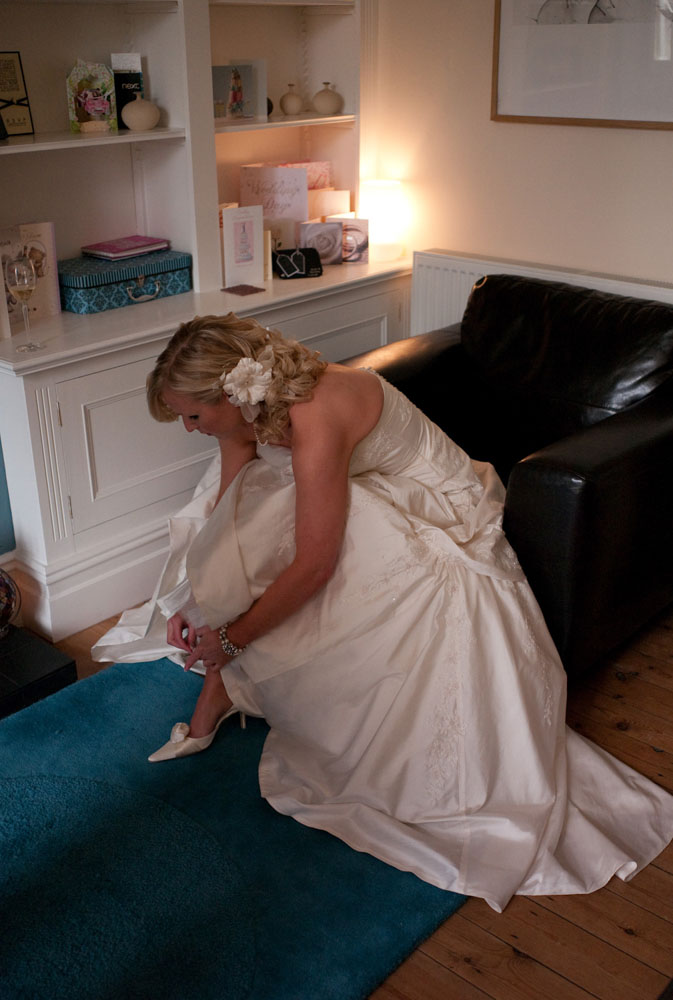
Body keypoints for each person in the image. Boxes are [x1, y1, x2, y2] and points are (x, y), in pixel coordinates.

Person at [93, 312, 673, 913]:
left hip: (441, 509)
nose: (189, 429)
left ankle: (229, 671)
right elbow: (228, 514)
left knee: (340, 545)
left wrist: (233, 639)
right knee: (260, 513)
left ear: (228, 392)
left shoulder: (317, 409)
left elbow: (316, 563)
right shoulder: (246, 399)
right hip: (370, 489)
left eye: (193, 415)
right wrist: (199, 594)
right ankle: (220, 684)